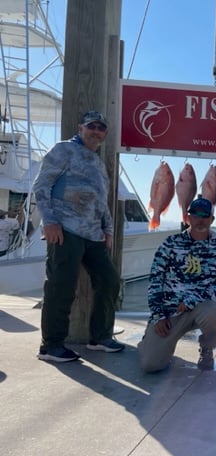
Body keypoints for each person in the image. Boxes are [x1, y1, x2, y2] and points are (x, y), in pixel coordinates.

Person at [33, 111, 123, 363]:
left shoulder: (97, 161)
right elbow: (42, 185)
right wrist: (49, 221)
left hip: (93, 234)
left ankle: (100, 337)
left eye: (101, 128)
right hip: (65, 229)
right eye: (92, 126)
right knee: (61, 286)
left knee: (109, 280)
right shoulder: (63, 150)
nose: (96, 131)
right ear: (80, 127)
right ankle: (51, 346)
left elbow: (101, 200)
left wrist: (107, 230)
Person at [138, 196, 216, 372]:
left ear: (211, 220)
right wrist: (158, 315)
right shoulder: (170, 244)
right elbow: (155, 280)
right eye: (195, 214)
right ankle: (148, 342)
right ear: (188, 218)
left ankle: (206, 348)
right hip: (169, 313)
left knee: (215, 313)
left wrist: (194, 300)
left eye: (205, 215)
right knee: (150, 366)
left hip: (199, 309)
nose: (200, 219)